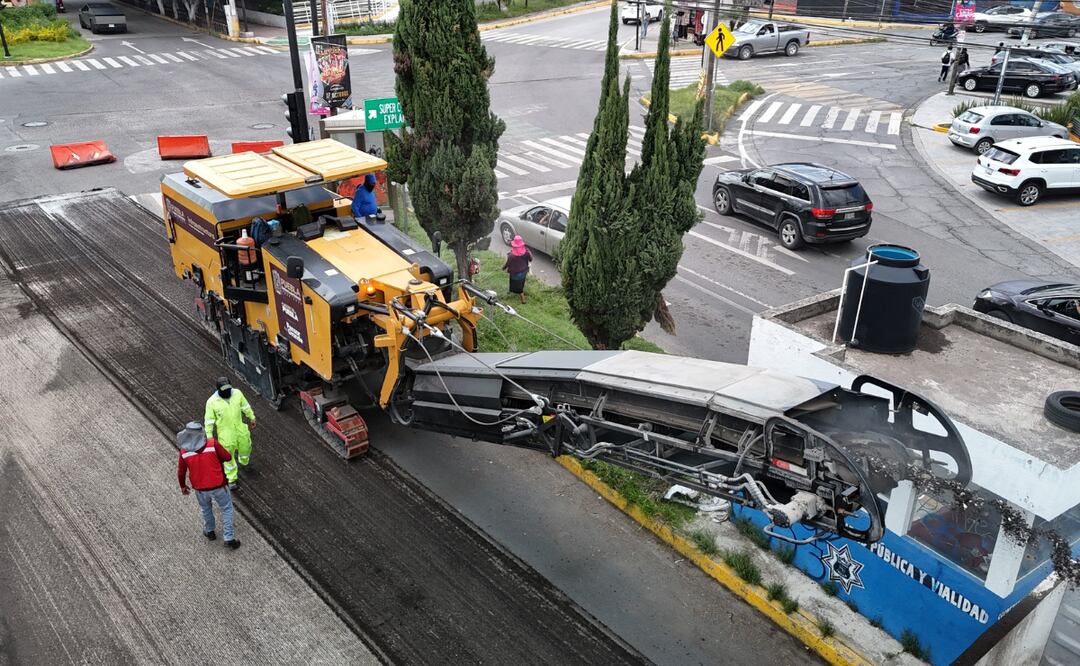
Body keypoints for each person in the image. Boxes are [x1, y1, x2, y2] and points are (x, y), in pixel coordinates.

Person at [177, 422, 240, 549]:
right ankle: (229, 538)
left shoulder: (184, 452)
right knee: (227, 509)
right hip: (219, 486)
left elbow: (181, 472)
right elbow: (227, 457)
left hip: (200, 489)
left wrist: (183, 486)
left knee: (206, 509)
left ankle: (210, 531)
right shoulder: (212, 444)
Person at [204, 377, 256, 490]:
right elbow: (209, 422)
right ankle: (232, 479)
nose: (227, 391)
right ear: (218, 389)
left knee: (246, 448)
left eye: (228, 388)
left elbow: (245, 406)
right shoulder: (212, 402)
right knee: (228, 457)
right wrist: (210, 438)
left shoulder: (237, 393)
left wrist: (251, 417)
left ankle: (244, 462)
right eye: (224, 389)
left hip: (240, 429)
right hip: (225, 434)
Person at [502, 235, 533, 304]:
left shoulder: (511, 255)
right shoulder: (526, 252)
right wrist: (528, 252)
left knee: (517, 287)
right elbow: (531, 259)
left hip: (514, 273)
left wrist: (503, 268)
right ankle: (512, 291)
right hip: (524, 271)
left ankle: (523, 300)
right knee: (521, 283)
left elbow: (508, 264)